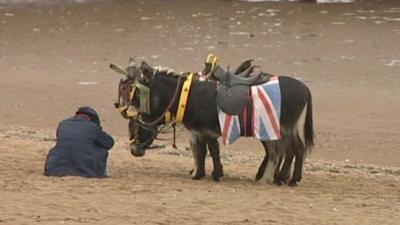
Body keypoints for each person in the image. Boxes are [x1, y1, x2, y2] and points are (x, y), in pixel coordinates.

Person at [44, 106, 114, 178]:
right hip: (86, 171)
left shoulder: (63, 124)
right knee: (101, 148)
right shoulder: (92, 127)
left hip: (54, 169)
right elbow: (109, 143)